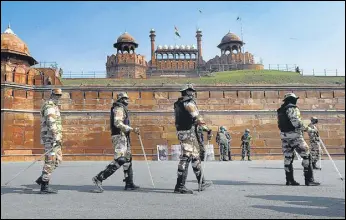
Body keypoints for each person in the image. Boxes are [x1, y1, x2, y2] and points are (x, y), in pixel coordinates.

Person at [92, 92, 140, 192]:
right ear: (121, 99)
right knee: (120, 159)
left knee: (127, 159)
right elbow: (117, 123)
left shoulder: (122, 108)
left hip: (124, 136)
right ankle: (99, 178)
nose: (127, 100)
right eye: (125, 99)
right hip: (119, 136)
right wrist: (132, 129)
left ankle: (129, 183)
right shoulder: (119, 108)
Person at [173, 83, 213, 194]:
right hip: (188, 133)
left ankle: (201, 181)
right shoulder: (189, 103)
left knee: (195, 156)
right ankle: (180, 185)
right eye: (191, 91)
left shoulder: (177, 104)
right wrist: (207, 129)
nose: (193, 93)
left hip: (182, 132)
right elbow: (197, 118)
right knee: (186, 157)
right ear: (187, 92)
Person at [277, 93, 320, 186]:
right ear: (292, 99)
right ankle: (309, 179)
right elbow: (297, 123)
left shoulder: (281, 110)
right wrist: (309, 129)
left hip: (284, 136)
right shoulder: (292, 108)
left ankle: (289, 180)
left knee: (288, 157)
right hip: (294, 136)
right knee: (306, 155)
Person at [35, 88, 63, 194]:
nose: (58, 97)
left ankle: (42, 178)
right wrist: (56, 136)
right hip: (50, 137)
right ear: (52, 94)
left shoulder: (55, 106)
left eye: (59, 95)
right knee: (50, 160)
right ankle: (44, 186)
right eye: (56, 95)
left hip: (56, 137)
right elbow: (51, 121)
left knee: (58, 159)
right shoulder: (49, 106)